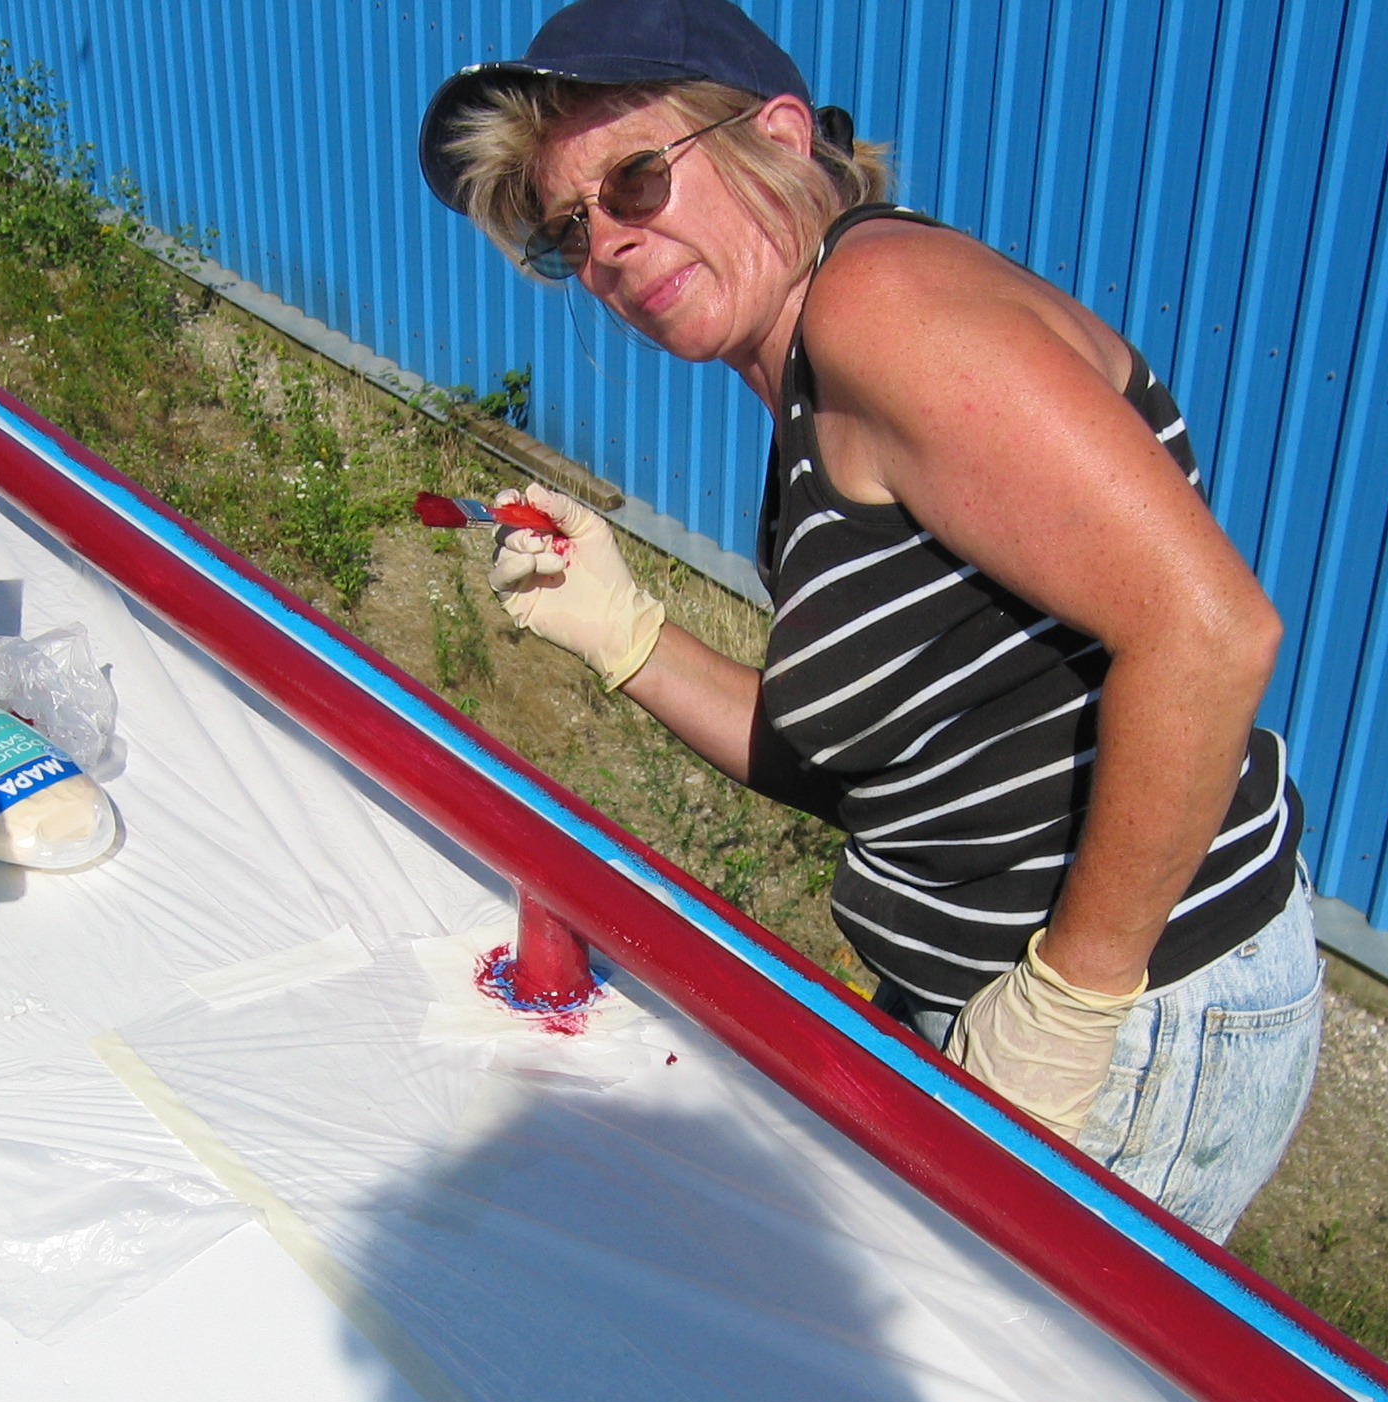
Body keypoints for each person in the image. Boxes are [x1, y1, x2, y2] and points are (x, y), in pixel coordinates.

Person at [418, 0, 1322, 1241]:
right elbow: (888, 775)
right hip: (1014, 1002)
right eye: (568, 230)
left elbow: (1210, 636)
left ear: (780, 138)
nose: (608, 246)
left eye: (634, 180)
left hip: (1124, 1022)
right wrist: (626, 636)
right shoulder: (815, 387)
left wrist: (1070, 1002)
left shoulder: (879, 309)